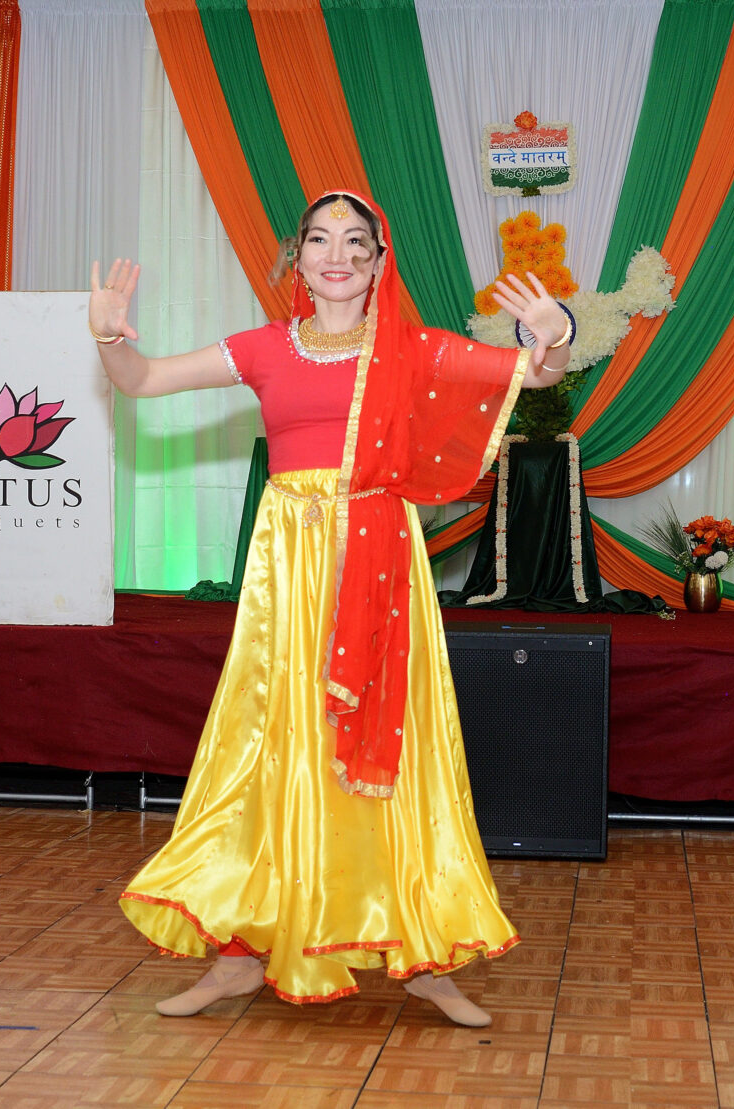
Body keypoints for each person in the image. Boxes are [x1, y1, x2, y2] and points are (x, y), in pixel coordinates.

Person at [93, 191, 571, 1024]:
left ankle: (422, 955)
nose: (337, 254)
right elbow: (144, 379)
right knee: (272, 747)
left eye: (355, 241)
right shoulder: (264, 347)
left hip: (378, 568)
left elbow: (534, 374)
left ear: (379, 262)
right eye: (320, 239)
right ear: (299, 258)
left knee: (395, 750)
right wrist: (108, 337)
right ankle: (241, 955)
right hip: (289, 574)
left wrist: (554, 335)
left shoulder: (412, 350)